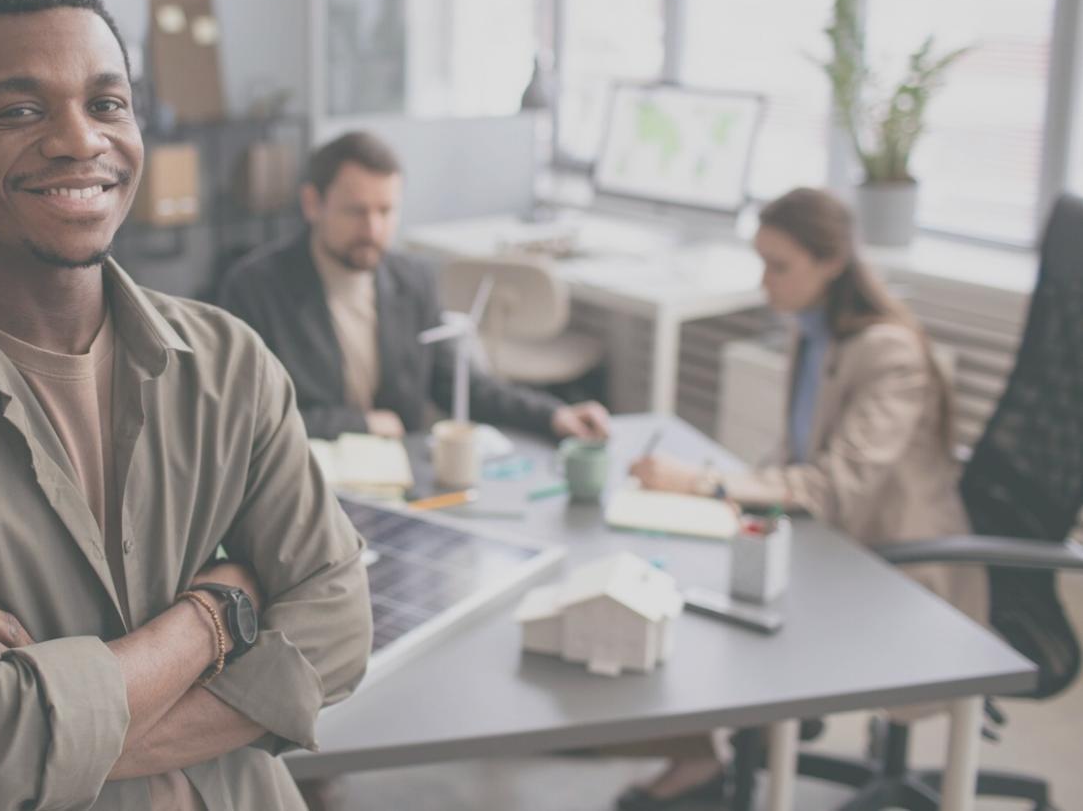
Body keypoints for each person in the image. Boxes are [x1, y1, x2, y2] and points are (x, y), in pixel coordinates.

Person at [0, 0, 372, 811]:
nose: (79, 140)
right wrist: (216, 613)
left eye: (106, 103)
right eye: (21, 111)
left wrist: (44, 737)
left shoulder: (227, 362)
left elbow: (339, 631)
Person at [619, 187, 988, 810]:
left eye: (779, 265)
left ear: (832, 262)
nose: (765, 282)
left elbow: (833, 484)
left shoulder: (889, 352)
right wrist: (722, 486)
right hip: (836, 542)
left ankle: (719, 756)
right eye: (761, 261)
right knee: (676, 569)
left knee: (709, 603)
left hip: (897, 571)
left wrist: (703, 483)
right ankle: (700, 755)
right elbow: (796, 454)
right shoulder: (814, 331)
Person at [219, 130, 610, 443]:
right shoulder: (256, 287)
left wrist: (553, 415)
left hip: (399, 480)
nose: (373, 229)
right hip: (304, 479)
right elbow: (245, 418)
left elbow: (460, 385)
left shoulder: (414, 280)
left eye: (386, 211)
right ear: (312, 204)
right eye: (356, 211)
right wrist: (358, 424)